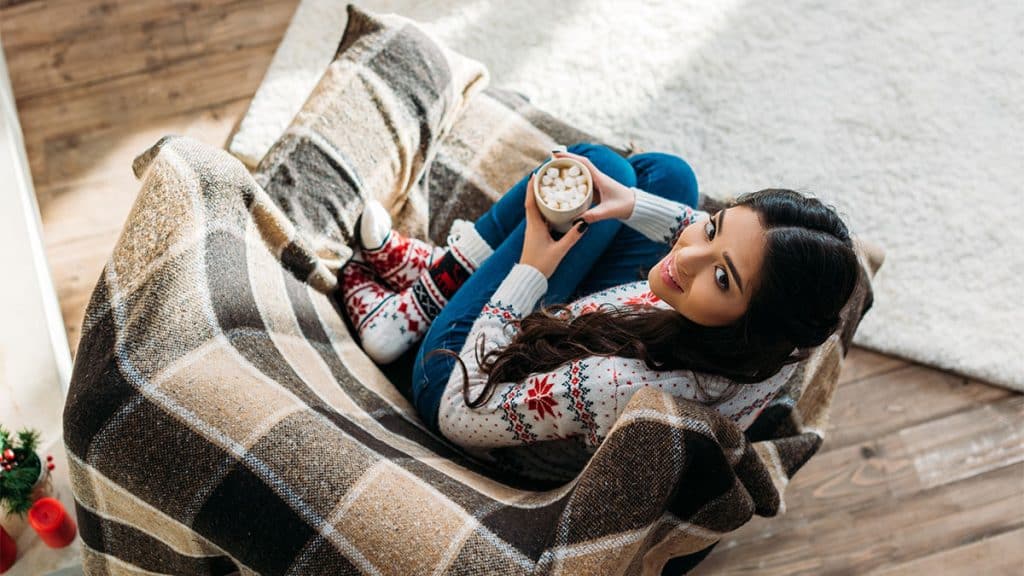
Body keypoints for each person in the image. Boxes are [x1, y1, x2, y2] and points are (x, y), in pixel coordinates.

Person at [339, 143, 860, 451]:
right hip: (590, 327)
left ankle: (416, 303)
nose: (686, 256)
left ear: (753, 324)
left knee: (592, 162)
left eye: (722, 277)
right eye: (713, 227)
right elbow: (720, 242)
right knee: (667, 177)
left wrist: (531, 270)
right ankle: (445, 273)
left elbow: (460, 414)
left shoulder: (615, 385)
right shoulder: (786, 338)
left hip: (462, 379)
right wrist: (629, 202)